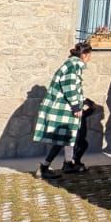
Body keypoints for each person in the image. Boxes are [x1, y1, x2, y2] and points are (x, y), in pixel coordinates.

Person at [33, 43, 91, 177]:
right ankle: (44, 167)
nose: (90, 59)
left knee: (68, 137)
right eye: (89, 56)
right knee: (63, 138)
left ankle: (68, 163)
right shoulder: (73, 66)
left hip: (65, 107)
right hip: (63, 108)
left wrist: (83, 101)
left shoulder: (71, 65)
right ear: (84, 55)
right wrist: (76, 106)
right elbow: (69, 87)